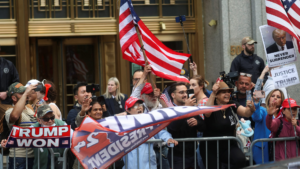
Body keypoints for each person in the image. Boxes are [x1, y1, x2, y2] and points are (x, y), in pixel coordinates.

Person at [201, 81, 255, 169]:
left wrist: (252, 108)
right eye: (223, 92)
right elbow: (207, 113)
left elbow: (246, 113)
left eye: (228, 92)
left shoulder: (232, 104)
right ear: (217, 95)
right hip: (211, 148)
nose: (227, 94)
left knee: (240, 160)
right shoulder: (211, 105)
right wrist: (213, 93)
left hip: (229, 145)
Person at [122, 96, 178, 169]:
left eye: (140, 105)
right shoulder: (122, 124)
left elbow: (160, 131)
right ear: (128, 110)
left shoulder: (149, 121)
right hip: (131, 165)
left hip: (148, 164)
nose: (139, 107)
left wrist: (168, 138)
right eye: (135, 106)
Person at [167, 82, 205, 169]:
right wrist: (185, 110)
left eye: (186, 92)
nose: (185, 95)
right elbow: (172, 128)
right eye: (181, 92)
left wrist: (197, 123)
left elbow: (203, 126)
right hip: (177, 157)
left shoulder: (191, 109)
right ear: (173, 95)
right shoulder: (169, 111)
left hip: (192, 155)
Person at [1, 82, 37, 169]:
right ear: (13, 97)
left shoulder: (30, 109)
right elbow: (15, 116)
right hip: (19, 158)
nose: (26, 95)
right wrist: (26, 94)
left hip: (35, 156)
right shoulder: (9, 111)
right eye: (21, 93)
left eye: (25, 92)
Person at [31, 104, 72, 169]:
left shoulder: (62, 124)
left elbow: (73, 138)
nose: (50, 121)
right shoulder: (33, 129)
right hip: (41, 165)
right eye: (46, 119)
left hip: (59, 163)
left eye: (52, 118)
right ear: (39, 120)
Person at [251, 89, 285, 164]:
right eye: (273, 96)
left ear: (281, 101)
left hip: (277, 151)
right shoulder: (263, 110)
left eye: (278, 97)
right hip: (262, 150)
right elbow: (256, 117)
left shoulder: (283, 116)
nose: (275, 98)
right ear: (269, 98)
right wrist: (256, 102)